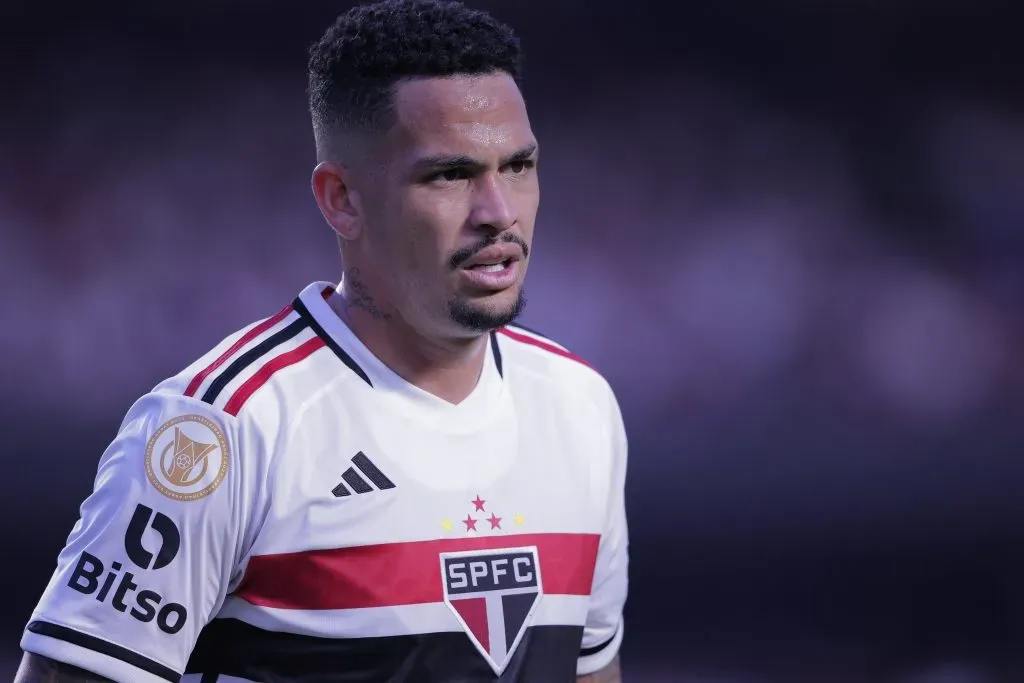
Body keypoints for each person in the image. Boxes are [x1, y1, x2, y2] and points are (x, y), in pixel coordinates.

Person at [14, 1, 629, 681]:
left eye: (518, 165)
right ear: (342, 198)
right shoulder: (222, 429)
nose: (499, 211)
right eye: (449, 175)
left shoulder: (581, 408)